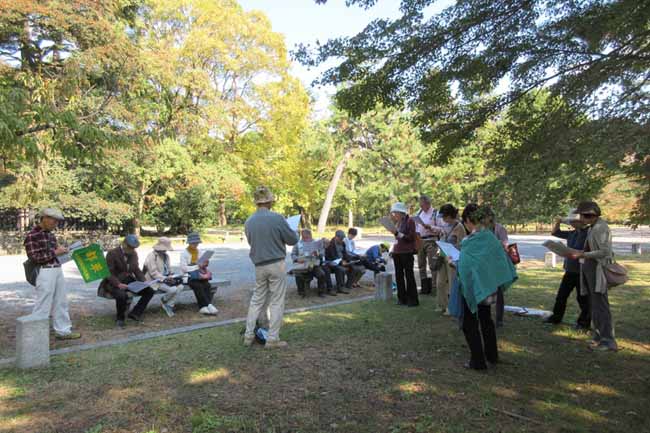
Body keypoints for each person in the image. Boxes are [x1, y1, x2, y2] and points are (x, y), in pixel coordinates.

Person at [457, 204, 517, 370]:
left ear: (469, 220)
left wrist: (452, 262)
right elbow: (497, 261)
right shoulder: (491, 238)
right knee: (486, 319)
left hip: (474, 286)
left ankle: (477, 361)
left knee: (469, 323)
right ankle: (492, 355)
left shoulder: (469, 241)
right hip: (488, 286)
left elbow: (465, 266)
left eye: (465, 222)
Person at [243, 186, 299, 349]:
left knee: (256, 300)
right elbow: (292, 240)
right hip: (276, 263)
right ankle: (272, 339)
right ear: (269, 201)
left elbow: (251, 242)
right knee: (276, 301)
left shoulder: (249, 221)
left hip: (259, 265)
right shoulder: (277, 218)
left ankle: (248, 335)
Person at [24, 208, 81, 340]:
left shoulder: (50, 235)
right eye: (53, 220)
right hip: (44, 271)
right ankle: (36, 334)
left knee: (61, 301)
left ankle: (63, 331)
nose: (55, 224)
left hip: (56, 268)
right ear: (44, 218)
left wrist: (65, 252)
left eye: (57, 221)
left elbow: (54, 254)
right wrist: (56, 253)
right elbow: (35, 257)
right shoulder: (32, 236)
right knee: (43, 303)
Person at [569, 201, 617, 352]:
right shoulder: (593, 226)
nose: (580, 219)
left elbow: (605, 252)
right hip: (589, 269)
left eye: (582, 215)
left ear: (590, 214)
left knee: (601, 306)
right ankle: (598, 336)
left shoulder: (601, 228)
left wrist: (583, 254)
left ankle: (608, 341)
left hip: (597, 270)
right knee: (595, 305)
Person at [543, 210, 590, 329]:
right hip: (570, 270)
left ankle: (583, 324)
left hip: (582, 271)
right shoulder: (573, 233)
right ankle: (555, 318)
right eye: (570, 222)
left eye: (574, 221)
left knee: (582, 299)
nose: (571, 223)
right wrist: (558, 222)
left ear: (581, 221)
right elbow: (555, 232)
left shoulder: (589, 233)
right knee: (561, 296)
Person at [98, 235, 155, 327]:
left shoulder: (133, 253)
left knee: (150, 291)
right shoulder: (112, 253)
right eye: (130, 247)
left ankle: (135, 313)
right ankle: (120, 319)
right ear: (124, 244)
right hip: (112, 282)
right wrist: (118, 284)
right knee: (122, 295)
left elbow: (136, 269)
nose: (132, 250)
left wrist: (144, 281)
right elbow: (108, 272)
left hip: (128, 280)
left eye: (134, 248)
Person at [436, 204, 467, 314]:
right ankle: (442, 305)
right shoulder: (445, 226)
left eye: (444, 216)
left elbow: (463, 245)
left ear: (449, 216)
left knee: (452, 283)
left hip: (453, 258)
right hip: (443, 256)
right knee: (440, 283)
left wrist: (453, 248)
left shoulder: (460, 227)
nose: (443, 219)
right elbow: (442, 239)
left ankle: (451, 307)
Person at [180, 232, 219, 315]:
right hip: (188, 276)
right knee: (198, 286)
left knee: (207, 285)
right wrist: (196, 266)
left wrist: (205, 263)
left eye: (196, 243)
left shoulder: (199, 251)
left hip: (199, 275)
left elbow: (202, 265)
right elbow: (183, 268)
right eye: (193, 243)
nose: (195, 245)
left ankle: (205, 306)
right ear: (189, 243)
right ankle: (206, 305)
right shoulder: (184, 253)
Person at [483, 206, 510, 327]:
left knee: (498, 291)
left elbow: (505, 245)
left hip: (497, 263)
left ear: (491, 217)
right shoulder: (483, 229)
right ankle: (486, 315)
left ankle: (499, 319)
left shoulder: (500, 228)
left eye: (486, 217)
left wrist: (493, 242)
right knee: (486, 290)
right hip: (486, 263)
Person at [144, 237, 183, 318]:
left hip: (165, 279)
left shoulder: (166, 256)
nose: (166, 250)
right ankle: (164, 300)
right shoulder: (151, 256)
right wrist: (164, 278)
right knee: (173, 289)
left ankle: (169, 305)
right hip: (155, 281)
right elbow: (153, 273)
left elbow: (168, 268)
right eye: (165, 248)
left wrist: (172, 275)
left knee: (181, 286)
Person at [389, 202, 419, 307]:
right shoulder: (399, 222)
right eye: (393, 213)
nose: (394, 215)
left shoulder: (410, 221)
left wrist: (397, 233)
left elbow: (410, 237)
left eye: (395, 213)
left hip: (407, 252)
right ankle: (402, 298)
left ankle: (413, 299)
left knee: (409, 276)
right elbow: (397, 239)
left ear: (401, 212)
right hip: (397, 252)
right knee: (399, 276)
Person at [414, 195, 444, 295]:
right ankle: (424, 288)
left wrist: (430, 227)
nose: (421, 207)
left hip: (431, 240)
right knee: (421, 264)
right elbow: (417, 226)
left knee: (433, 265)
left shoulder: (436, 213)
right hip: (420, 240)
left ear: (428, 203)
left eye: (422, 205)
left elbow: (442, 229)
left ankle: (434, 287)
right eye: (420, 205)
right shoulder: (419, 213)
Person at [290, 229, 331, 297]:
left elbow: (322, 253)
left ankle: (321, 292)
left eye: (307, 237)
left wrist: (317, 253)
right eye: (303, 237)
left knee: (322, 274)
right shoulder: (298, 244)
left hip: (314, 265)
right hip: (302, 265)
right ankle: (301, 291)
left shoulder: (316, 243)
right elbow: (293, 254)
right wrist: (297, 259)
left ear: (310, 235)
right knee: (298, 274)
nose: (305, 239)